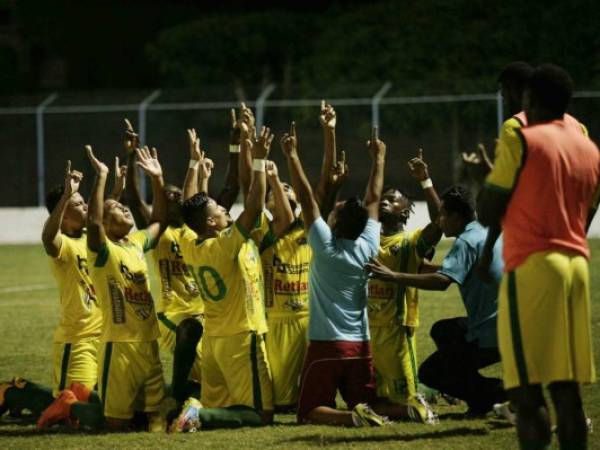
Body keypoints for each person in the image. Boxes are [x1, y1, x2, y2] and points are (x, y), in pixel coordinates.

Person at [478, 64, 600, 450]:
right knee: (567, 389)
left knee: (526, 390)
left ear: (532, 99)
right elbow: (588, 207)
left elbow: (488, 209)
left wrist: (483, 180)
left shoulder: (521, 135)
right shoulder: (587, 144)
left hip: (533, 265)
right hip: (577, 264)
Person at [282, 122, 403, 427]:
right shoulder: (368, 244)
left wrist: (292, 156)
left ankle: (353, 418)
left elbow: (307, 199)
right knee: (372, 402)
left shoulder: (325, 247)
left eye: (332, 212)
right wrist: (379, 159)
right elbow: (374, 200)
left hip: (327, 344)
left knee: (309, 411)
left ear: (334, 221)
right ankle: (409, 409)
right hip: (361, 345)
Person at [367, 185, 506, 416]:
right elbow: (443, 269)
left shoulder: (465, 241)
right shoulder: (483, 232)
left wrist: (393, 276)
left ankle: (499, 393)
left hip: (492, 333)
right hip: (508, 324)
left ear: (456, 217)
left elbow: (442, 281)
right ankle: (473, 392)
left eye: (444, 216)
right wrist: (427, 182)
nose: (441, 221)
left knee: (431, 373)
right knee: (444, 331)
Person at [173, 125, 275, 431]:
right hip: (241, 337)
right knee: (262, 414)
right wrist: (258, 161)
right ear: (211, 222)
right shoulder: (225, 243)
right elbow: (254, 205)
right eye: (218, 208)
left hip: (215, 338)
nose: (224, 208)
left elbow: (190, 205)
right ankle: (198, 415)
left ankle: (198, 411)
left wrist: (193, 164)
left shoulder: (191, 245)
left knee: (225, 404)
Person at [367, 148, 442, 424]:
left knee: (406, 396)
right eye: (383, 198)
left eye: (393, 200)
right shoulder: (368, 238)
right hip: (366, 329)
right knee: (377, 398)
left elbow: (439, 222)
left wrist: (426, 181)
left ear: (405, 211)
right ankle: (432, 391)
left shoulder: (410, 242)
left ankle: (428, 395)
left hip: (397, 329)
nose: (386, 201)